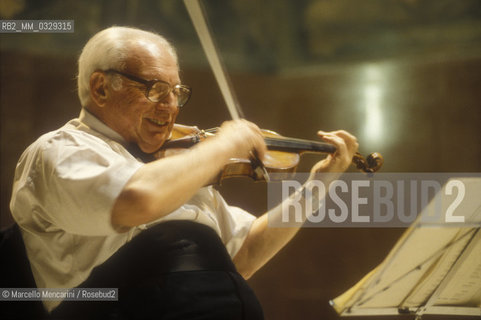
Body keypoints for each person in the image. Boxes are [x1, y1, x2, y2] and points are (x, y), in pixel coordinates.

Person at [10, 26, 358, 319]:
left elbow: (246, 253)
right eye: (155, 89)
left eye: (177, 92)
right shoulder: (59, 151)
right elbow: (137, 200)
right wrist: (223, 145)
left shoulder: (174, 169)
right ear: (101, 87)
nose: (171, 106)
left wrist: (318, 185)